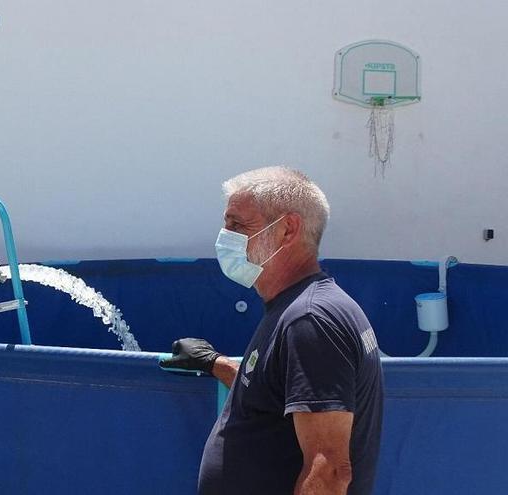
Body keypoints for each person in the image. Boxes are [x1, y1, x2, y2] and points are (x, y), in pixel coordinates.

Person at [161, 166, 383, 495]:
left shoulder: (310, 320)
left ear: (287, 230)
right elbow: (278, 394)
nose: (225, 237)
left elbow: (330, 471)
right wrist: (216, 363)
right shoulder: (296, 309)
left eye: (237, 225)